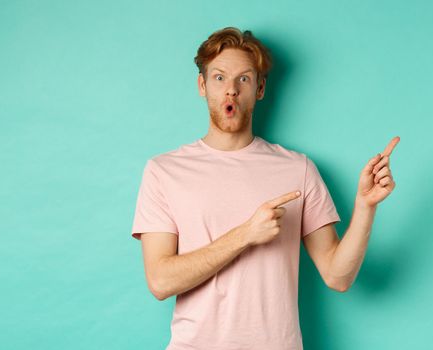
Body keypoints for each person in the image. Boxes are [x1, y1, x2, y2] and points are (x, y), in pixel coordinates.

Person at [131, 27, 400, 350]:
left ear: (259, 89)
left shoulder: (297, 169)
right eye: (219, 78)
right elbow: (160, 281)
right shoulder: (164, 171)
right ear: (202, 86)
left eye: (243, 79)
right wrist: (245, 234)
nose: (230, 90)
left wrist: (366, 207)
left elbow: (337, 276)